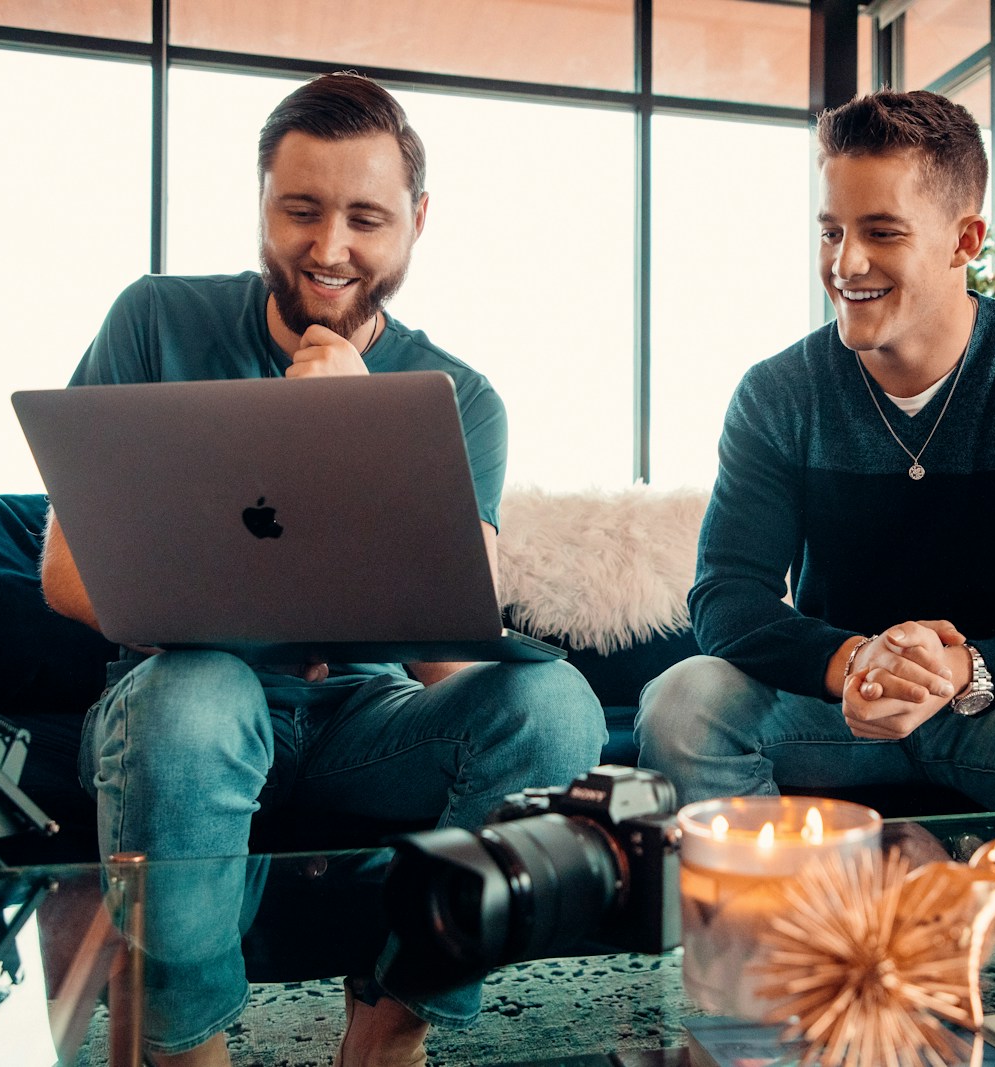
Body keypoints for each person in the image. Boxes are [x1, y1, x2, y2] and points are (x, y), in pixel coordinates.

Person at [40, 71, 607, 1067]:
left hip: (363, 719)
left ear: (417, 220)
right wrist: (241, 618)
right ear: (262, 198)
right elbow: (66, 576)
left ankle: (392, 1022)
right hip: (184, 698)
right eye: (300, 209)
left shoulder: (459, 397)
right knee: (198, 694)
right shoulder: (154, 322)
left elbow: (446, 660)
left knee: (560, 708)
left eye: (365, 217)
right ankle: (185, 1044)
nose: (329, 247)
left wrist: (360, 437)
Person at [635, 89, 995, 827]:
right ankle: (787, 939)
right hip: (839, 706)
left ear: (964, 240)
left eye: (881, 231)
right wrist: (854, 661)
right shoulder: (777, 393)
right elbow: (726, 594)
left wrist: (966, 669)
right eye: (831, 231)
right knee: (682, 703)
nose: (846, 263)